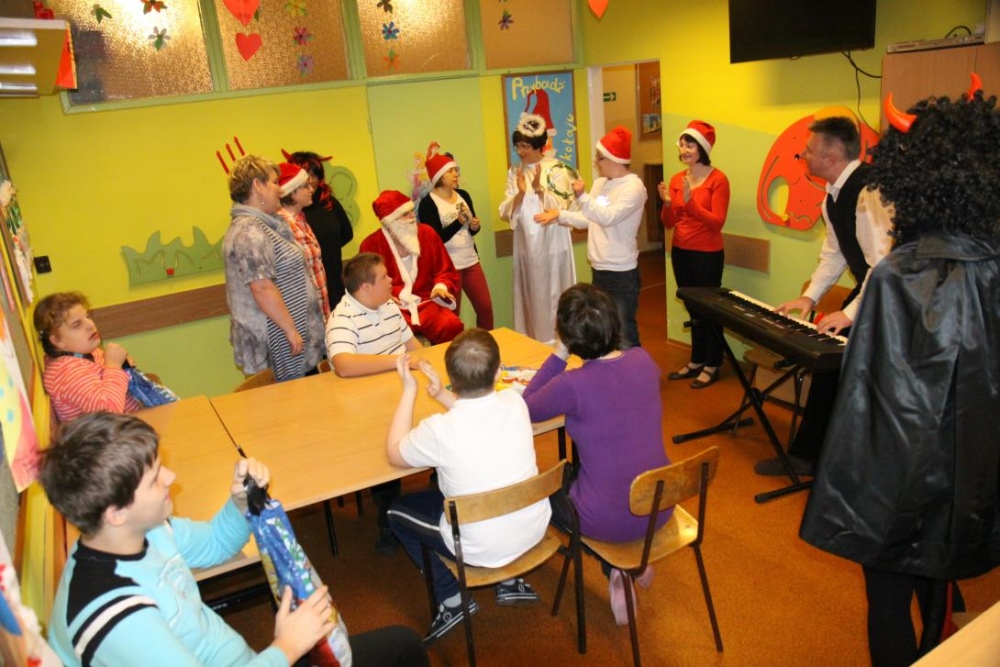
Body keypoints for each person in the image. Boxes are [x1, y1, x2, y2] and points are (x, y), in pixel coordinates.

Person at [800, 87, 1000, 667]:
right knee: (938, 586)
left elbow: (869, 400)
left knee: (888, 600)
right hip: (973, 475)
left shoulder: (896, 275)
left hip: (900, 480)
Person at [40, 411, 430, 667]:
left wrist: (241, 502)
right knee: (400, 650)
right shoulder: (116, 618)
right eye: (156, 478)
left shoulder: (144, 531)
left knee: (402, 645)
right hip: (269, 658)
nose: (171, 478)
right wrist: (287, 648)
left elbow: (214, 544)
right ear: (115, 512)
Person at [385, 329, 551, 644]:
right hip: (532, 529)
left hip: (477, 547)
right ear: (499, 371)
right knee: (491, 477)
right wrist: (440, 396)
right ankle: (510, 580)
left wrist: (409, 390)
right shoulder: (516, 402)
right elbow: (476, 415)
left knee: (396, 512)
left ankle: (452, 598)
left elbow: (394, 453)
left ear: (453, 378)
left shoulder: (439, 430)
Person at [521, 283, 669, 625]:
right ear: (614, 323)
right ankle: (630, 564)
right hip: (660, 504)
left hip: (607, 520)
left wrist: (559, 353)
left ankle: (617, 564)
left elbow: (526, 406)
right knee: (597, 473)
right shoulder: (643, 359)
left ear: (568, 336)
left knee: (540, 492)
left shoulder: (572, 384)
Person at [755, 117, 894, 476]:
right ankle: (810, 456)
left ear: (831, 157)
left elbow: (884, 264)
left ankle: (841, 463)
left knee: (854, 375)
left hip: (893, 298)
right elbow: (834, 253)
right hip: (871, 292)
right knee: (829, 366)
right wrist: (811, 297)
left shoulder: (869, 192)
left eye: (809, 150)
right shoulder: (832, 196)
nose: (803, 155)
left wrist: (849, 314)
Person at [325, 252, 422, 554]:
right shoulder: (343, 318)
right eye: (384, 277)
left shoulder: (388, 306)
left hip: (399, 390)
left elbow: (413, 346)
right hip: (366, 408)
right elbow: (343, 365)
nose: (392, 280)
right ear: (365, 287)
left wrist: (424, 365)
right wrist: (397, 362)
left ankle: (444, 485)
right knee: (384, 442)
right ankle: (388, 519)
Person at [537, 126, 647, 349]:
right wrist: (560, 215)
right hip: (599, 269)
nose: (596, 162)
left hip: (622, 273)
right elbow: (589, 218)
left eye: (599, 157)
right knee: (604, 332)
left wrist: (582, 196)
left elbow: (608, 217)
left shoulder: (634, 188)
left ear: (614, 159)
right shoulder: (600, 183)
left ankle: (636, 371)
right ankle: (610, 372)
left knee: (625, 333)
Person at [223, 155, 325, 382]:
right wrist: (290, 330)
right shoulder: (249, 230)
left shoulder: (265, 224)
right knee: (291, 400)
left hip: (290, 338)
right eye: (274, 182)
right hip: (279, 341)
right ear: (258, 186)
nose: (280, 189)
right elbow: (262, 287)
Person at [657, 121, 731, 389]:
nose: (684, 149)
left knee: (709, 309)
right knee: (692, 307)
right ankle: (697, 360)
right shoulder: (678, 179)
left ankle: (713, 363)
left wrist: (691, 203)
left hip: (707, 254)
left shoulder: (718, 180)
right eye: (682, 144)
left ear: (703, 148)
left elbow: (716, 222)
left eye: (690, 144)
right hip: (681, 251)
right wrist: (668, 203)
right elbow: (668, 222)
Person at [498, 114, 577, 343]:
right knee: (532, 296)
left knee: (555, 293)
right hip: (526, 246)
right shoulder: (515, 172)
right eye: (518, 146)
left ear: (539, 145)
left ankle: (560, 342)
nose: (520, 151)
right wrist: (522, 194)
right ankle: (533, 342)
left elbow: (563, 207)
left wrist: (539, 189)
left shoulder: (557, 169)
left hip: (553, 244)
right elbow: (505, 211)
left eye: (525, 146)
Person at [359, 190, 463, 345]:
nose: (412, 216)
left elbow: (445, 269)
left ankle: (445, 359)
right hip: (394, 307)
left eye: (411, 211)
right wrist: (383, 297)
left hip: (428, 302)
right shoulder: (370, 245)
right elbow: (366, 284)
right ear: (391, 221)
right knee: (390, 334)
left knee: (451, 325)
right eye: (405, 214)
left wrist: (440, 287)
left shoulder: (427, 234)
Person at [417, 145, 494, 330]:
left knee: (485, 308)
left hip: (471, 261)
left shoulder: (464, 195)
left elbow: (470, 230)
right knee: (451, 316)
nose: (456, 174)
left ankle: (486, 344)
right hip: (449, 268)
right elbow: (435, 239)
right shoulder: (428, 204)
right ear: (439, 176)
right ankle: (455, 348)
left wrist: (474, 226)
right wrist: (458, 221)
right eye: (451, 171)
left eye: (456, 170)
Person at [35, 291, 141, 422]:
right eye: (77, 324)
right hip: (110, 432)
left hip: (129, 422)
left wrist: (124, 368)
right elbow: (109, 412)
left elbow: (107, 380)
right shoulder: (66, 372)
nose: (91, 325)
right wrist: (114, 367)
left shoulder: (84, 352)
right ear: (57, 341)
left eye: (87, 316)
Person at [284, 150, 355, 311]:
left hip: (334, 278)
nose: (311, 181)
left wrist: (328, 250)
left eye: (314, 175)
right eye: (305, 177)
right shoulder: (291, 215)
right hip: (307, 288)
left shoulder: (329, 202)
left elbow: (346, 233)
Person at [276, 162, 329, 321]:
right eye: (305, 186)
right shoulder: (281, 226)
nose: (311, 189)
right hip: (302, 316)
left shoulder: (301, 219)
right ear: (291, 192)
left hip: (319, 311)